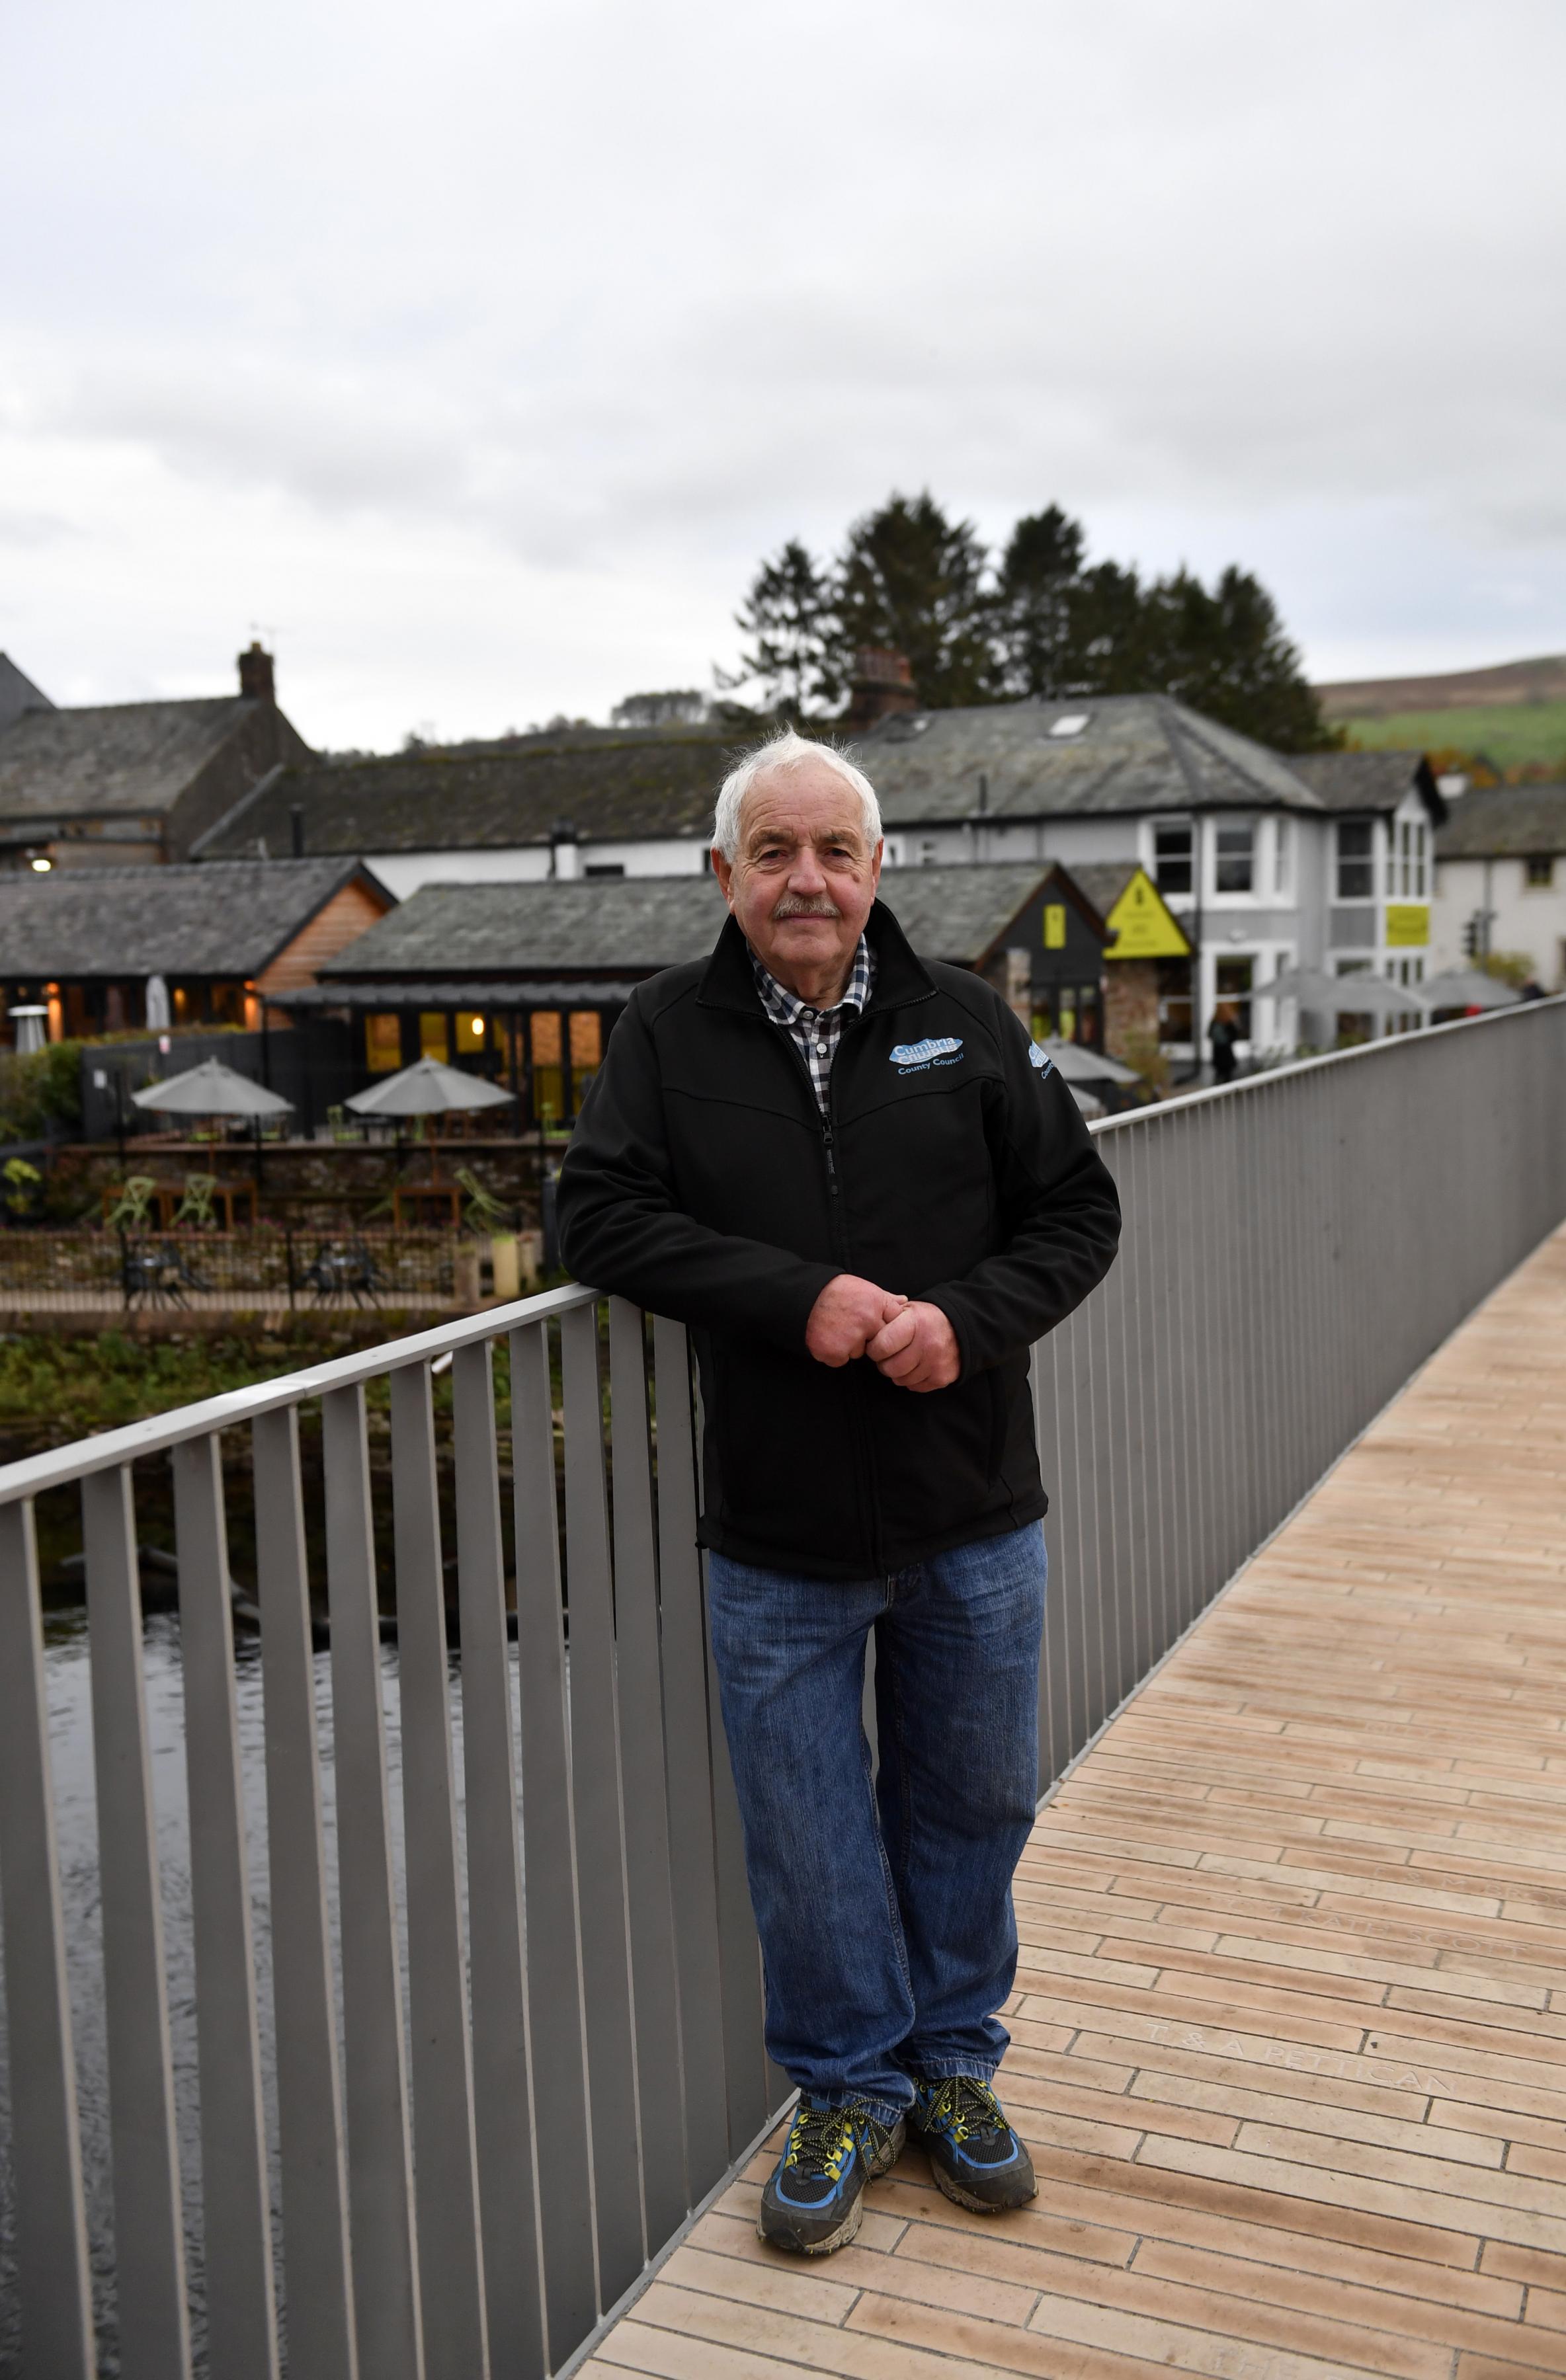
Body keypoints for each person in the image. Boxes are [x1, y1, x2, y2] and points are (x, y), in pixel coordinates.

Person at [557, 730, 1120, 2256]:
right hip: (779, 1528)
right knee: (805, 1832)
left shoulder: (964, 1022)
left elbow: (1075, 1212)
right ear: (726, 874)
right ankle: (841, 2086)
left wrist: (971, 1319)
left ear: (877, 869)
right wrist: (788, 1294)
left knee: (970, 1800)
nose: (805, 879)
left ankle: (951, 2068)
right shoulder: (664, 1032)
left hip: (971, 1509)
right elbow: (595, 1216)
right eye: (772, 852)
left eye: (833, 852)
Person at [1208, 1000, 1240, 1086]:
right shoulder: (1227, 1022)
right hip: (1225, 1052)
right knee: (1226, 1075)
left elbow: (1209, 1035)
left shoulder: (1216, 1022)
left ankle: (1219, 1090)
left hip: (1220, 1051)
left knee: (1220, 1075)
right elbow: (1235, 1036)